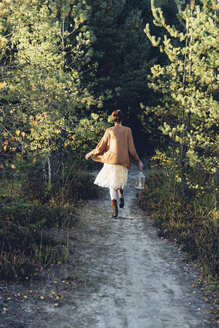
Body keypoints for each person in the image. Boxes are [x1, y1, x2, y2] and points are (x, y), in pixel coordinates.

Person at [85, 110, 144, 218]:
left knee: (112, 186)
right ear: (122, 119)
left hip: (111, 161)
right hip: (123, 161)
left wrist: (91, 152)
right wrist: (138, 160)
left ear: (113, 119)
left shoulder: (109, 130)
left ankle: (115, 211)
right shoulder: (128, 130)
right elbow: (131, 148)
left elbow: (101, 146)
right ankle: (121, 192)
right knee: (119, 181)